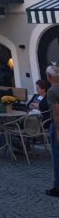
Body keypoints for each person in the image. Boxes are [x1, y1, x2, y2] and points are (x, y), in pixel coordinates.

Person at [45, 64, 59, 198]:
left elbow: (57, 113)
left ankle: (57, 187)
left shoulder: (52, 91)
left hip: (57, 125)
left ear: (49, 77)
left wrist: (57, 132)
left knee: (57, 156)